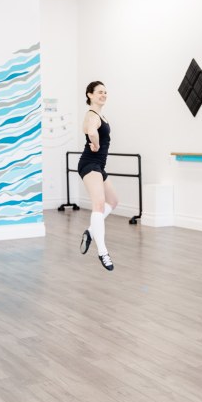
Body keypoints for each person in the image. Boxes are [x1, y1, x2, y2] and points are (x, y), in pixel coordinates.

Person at [78, 81, 118, 271]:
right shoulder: (92, 115)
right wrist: (94, 143)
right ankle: (102, 252)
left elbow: (88, 129)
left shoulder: (100, 115)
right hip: (89, 163)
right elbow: (91, 131)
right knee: (99, 204)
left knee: (113, 201)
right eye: (99, 92)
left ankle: (91, 232)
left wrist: (95, 140)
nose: (103, 95)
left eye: (105, 92)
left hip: (99, 165)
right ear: (90, 95)